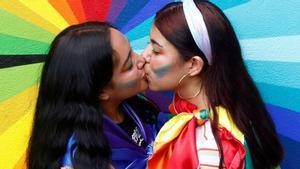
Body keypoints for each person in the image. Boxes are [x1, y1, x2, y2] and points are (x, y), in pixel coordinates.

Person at [138, 0, 283, 168]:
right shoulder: (235, 113)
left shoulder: (205, 142)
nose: (143, 57)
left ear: (193, 65)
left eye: (156, 50)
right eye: (148, 44)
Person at [26, 21, 161, 169]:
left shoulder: (136, 107)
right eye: (128, 65)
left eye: (132, 50)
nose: (141, 60)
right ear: (101, 92)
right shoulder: (81, 161)